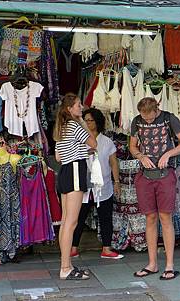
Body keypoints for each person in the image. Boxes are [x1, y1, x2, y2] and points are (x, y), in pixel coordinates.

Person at [129, 97, 180, 280]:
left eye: (149, 118)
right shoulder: (136, 121)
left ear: (156, 109)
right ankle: (152, 264)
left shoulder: (169, 118)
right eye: (144, 118)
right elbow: (132, 146)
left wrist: (169, 154)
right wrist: (140, 156)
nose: (146, 121)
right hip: (145, 175)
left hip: (165, 174)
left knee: (165, 217)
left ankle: (169, 264)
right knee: (150, 217)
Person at [53, 93, 97, 280]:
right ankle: (65, 267)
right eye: (79, 105)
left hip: (64, 171)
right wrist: (82, 122)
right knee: (72, 222)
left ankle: (67, 264)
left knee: (65, 221)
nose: (82, 108)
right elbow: (93, 143)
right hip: (75, 170)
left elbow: (58, 157)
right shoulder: (74, 125)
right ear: (70, 109)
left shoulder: (60, 128)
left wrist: (79, 149)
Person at [71, 108, 123, 259]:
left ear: (97, 122)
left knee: (105, 217)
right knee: (78, 218)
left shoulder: (106, 142)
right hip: (84, 185)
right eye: (85, 120)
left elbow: (113, 163)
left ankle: (106, 248)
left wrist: (117, 181)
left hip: (104, 184)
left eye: (90, 120)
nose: (87, 123)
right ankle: (73, 247)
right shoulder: (80, 140)